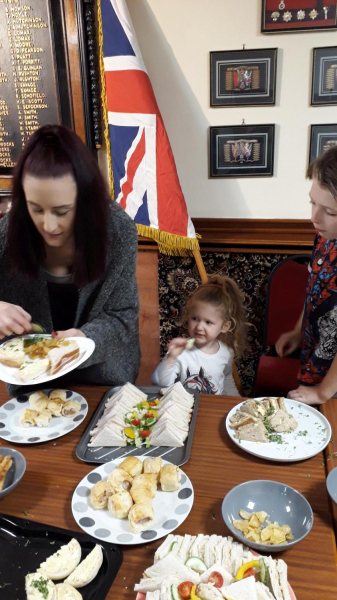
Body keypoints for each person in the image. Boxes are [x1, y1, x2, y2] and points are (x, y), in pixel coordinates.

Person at [0, 124, 140, 394]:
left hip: (104, 375)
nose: (49, 225)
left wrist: (84, 340)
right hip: (32, 377)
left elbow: (123, 317)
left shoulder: (118, 232)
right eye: (36, 209)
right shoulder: (10, 233)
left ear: (85, 201)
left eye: (62, 211)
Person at [276, 146, 337, 405]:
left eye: (331, 212)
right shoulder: (325, 238)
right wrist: (298, 330)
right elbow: (315, 289)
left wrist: (323, 392)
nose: (314, 217)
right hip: (315, 362)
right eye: (312, 202)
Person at [152, 274, 246, 395]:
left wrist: (236, 403)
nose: (199, 327)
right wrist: (170, 359)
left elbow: (227, 382)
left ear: (224, 327)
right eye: (195, 319)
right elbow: (159, 385)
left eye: (208, 322)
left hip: (211, 409)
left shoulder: (226, 353)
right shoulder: (180, 352)